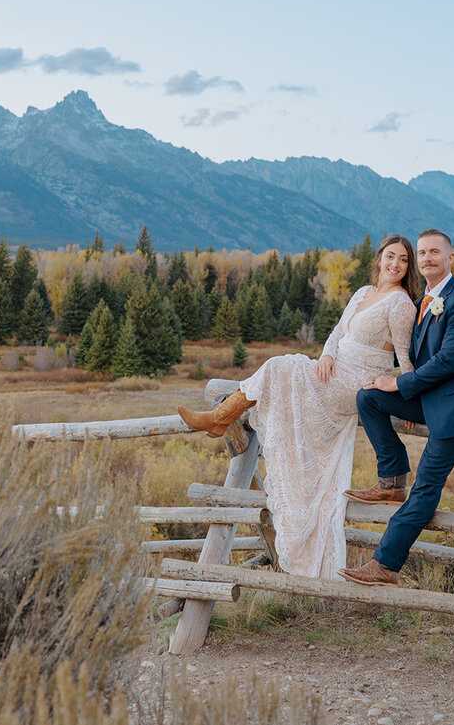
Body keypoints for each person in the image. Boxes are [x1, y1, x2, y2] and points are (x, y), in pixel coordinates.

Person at [178, 235, 421, 578]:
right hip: (334, 368)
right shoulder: (362, 294)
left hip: (357, 382)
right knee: (283, 369)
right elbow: (338, 332)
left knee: (280, 367)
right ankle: (218, 419)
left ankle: (218, 419)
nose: (395, 264)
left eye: (403, 260)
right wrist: (326, 354)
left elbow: (404, 354)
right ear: (379, 258)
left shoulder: (400, 304)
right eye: (390, 257)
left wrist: (407, 393)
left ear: (408, 267)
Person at [339, 229, 454, 586]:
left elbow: (449, 361)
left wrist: (399, 384)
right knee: (368, 397)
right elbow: (411, 357)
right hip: (431, 400)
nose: (427, 258)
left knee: (426, 488)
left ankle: (385, 565)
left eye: (435, 252)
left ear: (450, 257)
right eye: (423, 253)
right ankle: (392, 477)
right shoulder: (422, 303)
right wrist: (387, 380)